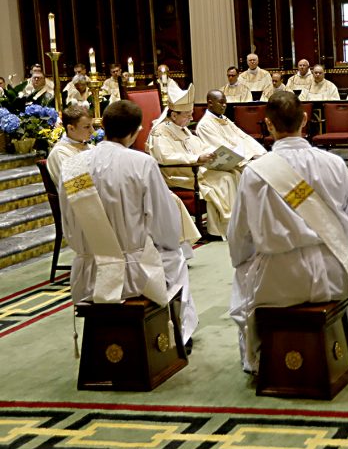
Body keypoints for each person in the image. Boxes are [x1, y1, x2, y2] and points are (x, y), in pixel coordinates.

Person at [227, 91, 348, 381]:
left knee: (242, 275)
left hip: (277, 281)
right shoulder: (334, 164)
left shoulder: (254, 172)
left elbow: (239, 235)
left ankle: (259, 358)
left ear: (268, 125)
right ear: (305, 119)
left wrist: (243, 264)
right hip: (334, 276)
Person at [59, 99, 198, 346]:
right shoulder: (141, 163)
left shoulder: (71, 167)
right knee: (176, 257)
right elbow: (164, 224)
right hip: (134, 275)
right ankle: (177, 336)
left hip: (88, 275)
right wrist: (164, 246)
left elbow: (68, 224)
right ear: (135, 132)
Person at [147, 84, 239, 238]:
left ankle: (230, 224)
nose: (191, 118)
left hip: (195, 169)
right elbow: (165, 157)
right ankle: (217, 230)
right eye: (187, 115)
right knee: (225, 179)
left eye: (191, 114)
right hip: (177, 174)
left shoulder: (182, 127)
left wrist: (210, 153)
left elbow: (198, 145)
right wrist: (196, 158)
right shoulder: (160, 132)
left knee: (233, 172)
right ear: (174, 115)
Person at [195, 90, 266, 162]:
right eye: (221, 102)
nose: (224, 105)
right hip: (232, 162)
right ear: (210, 103)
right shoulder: (204, 125)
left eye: (225, 102)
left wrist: (260, 151)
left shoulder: (224, 119)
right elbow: (221, 148)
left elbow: (243, 137)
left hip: (246, 156)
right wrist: (250, 157)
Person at [46, 104, 94, 184]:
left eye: (92, 126)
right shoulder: (60, 153)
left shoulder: (92, 147)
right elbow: (77, 186)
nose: (92, 131)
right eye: (87, 127)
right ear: (71, 128)